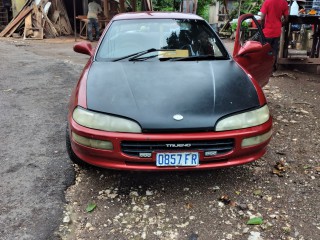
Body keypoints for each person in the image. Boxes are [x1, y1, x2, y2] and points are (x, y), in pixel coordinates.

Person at [260, 0, 289, 71]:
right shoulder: (284, 2)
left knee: (264, 50)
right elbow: (286, 19)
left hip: (266, 31)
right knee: (274, 51)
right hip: (276, 31)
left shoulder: (267, 1)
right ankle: (272, 68)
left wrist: (262, 27)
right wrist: (280, 24)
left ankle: (264, 68)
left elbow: (262, 18)